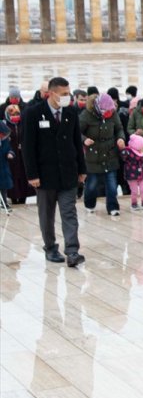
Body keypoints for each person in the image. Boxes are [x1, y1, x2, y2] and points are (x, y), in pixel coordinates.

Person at [22, 77, 87, 266]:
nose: (68, 97)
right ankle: (50, 248)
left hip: (68, 173)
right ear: (52, 93)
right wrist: (32, 174)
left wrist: (82, 170)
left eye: (69, 93)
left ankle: (72, 251)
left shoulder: (71, 112)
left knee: (69, 212)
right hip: (44, 176)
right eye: (64, 94)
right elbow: (28, 147)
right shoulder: (33, 113)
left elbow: (77, 142)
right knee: (46, 214)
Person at [80, 93, 126, 216]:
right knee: (92, 185)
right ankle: (89, 204)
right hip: (93, 156)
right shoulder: (86, 115)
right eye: (106, 111)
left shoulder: (113, 114)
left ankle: (113, 207)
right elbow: (77, 132)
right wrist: (84, 140)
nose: (109, 113)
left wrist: (120, 138)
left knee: (112, 184)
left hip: (110, 154)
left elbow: (119, 129)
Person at [3, 105, 34, 204]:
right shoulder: (4, 125)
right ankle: (13, 198)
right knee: (13, 176)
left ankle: (23, 198)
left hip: (22, 156)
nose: (15, 116)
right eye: (12, 114)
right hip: (10, 156)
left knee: (23, 176)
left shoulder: (23, 124)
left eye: (17, 114)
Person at [121, 134, 143, 211]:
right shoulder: (128, 151)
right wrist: (123, 151)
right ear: (137, 146)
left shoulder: (142, 154)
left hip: (141, 175)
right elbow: (123, 157)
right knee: (134, 190)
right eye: (142, 147)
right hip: (131, 175)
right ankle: (134, 203)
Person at [0, 122, 12, 208]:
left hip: (3, 165)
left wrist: (10, 153)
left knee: (3, 186)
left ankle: (4, 202)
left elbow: (9, 149)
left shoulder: (4, 140)